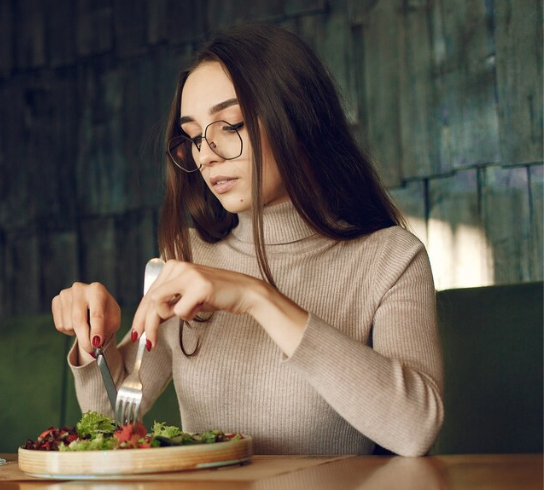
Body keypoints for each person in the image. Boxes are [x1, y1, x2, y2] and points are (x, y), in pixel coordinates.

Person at [52, 23, 443, 456]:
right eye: (195, 135)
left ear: (296, 118)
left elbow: (415, 430)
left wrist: (256, 297)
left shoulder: (390, 260)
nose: (207, 154)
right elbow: (113, 424)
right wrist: (97, 345)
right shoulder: (188, 258)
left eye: (230, 124)